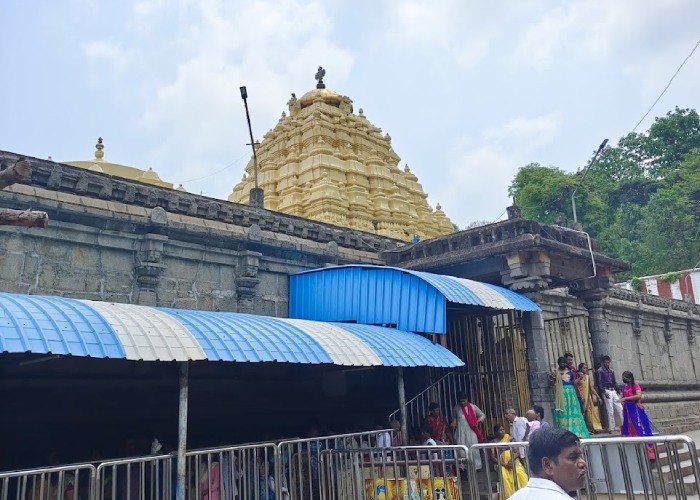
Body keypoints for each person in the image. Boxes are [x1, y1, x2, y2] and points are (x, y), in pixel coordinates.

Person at [508, 427, 587, 499]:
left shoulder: (516, 497)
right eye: (573, 458)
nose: (583, 463)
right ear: (548, 466)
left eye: (580, 456)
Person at [620, 370, 656, 460]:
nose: (624, 379)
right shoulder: (624, 387)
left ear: (630, 378)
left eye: (625, 378)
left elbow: (638, 396)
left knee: (642, 428)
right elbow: (622, 397)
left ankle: (650, 451)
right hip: (627, 411)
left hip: (636, 410)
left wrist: (626, 398)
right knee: (629, 428)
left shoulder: (635, 386)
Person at [553, 356, 590, 438]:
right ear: (558, 363)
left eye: (564, 363)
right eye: (561, 363)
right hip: (561, 394)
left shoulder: (570, 372)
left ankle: (575, 430)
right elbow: (553, 382)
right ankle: (563, 430)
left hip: (570, 394)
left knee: (572, 410)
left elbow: (574, 382)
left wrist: (580, 378)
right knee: (563, 410)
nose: (562, 364)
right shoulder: (556, 372)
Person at [492, 424, 529, 499]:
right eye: (500, 430)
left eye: (503, 429)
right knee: (505, 477)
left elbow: (517, 452)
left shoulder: (510, 438)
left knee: (520, 473)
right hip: (502, 463)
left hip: (513, 460)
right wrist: (504, 464)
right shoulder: (493, 442)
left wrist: (511, 460)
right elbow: (493, 456)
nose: (503, 431)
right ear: (496, 432)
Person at [451, 392, 486, 470]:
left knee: (473, 448)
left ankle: (476, 466)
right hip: (461, 431)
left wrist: (478, 421)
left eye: (464, 401)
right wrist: (453, 423)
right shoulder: (456, 408)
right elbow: (454, 419)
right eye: (461, 401)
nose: (463, 403)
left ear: (467, 400)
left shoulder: (473, 407)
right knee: (461, 449)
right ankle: (464, 466)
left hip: (471, 431)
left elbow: (482, 415)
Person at [596, 355, 623, 433]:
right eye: (605, 363)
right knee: (610, 409)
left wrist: (618, 391)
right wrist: (603, 392)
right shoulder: (600, 371)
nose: (607, 364)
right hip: (606, 390)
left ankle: (625, 425)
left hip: (613, 390)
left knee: (620, 408)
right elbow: (599, 383)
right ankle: (611, 427)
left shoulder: (611, 371)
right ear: (603, 362)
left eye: (608, 362)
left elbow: (614, 382)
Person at [577, 363, 603, 434]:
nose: (585, 369)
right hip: (581, 397)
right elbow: (576, 387)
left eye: (586, 368)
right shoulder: (578, 376)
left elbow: (590, 388)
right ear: (580, 369)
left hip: (587, 397)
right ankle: (584, 430)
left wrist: (598, 396)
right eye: (584, 368)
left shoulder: (587, 377)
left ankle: (592, 428)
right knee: (582, 413)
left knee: (589, 414)